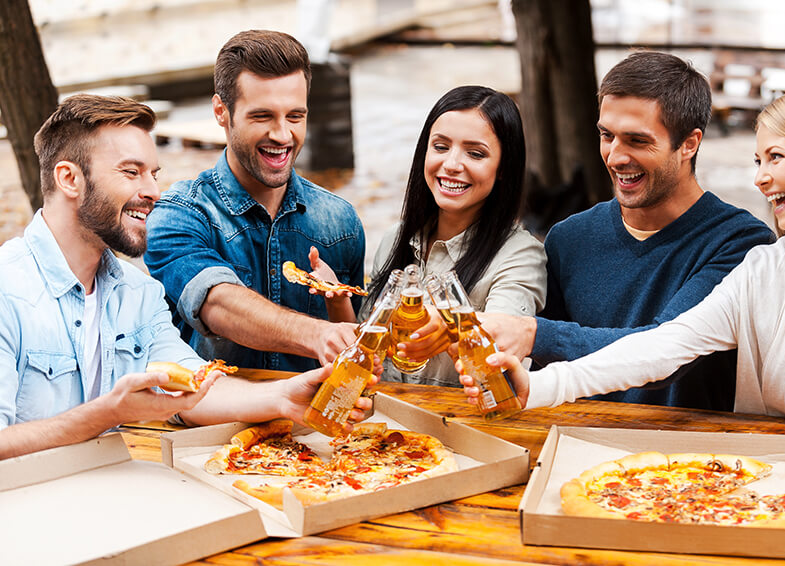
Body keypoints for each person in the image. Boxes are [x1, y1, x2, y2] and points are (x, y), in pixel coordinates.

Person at [0, 95, 372, 460]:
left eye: (153, 174)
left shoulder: (139, 292)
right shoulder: (7, 289)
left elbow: (193, 387)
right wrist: (108, 413)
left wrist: (283, 397)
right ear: (69, 178)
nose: (152, 191)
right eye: (131, 172)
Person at [462, 84, 785, 423]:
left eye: (776, 157)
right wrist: (538, 385)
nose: (759, 178)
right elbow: (663, 348)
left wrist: (533, 335)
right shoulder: (766, 271)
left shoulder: (741, 242)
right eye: (758, 160)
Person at [477, 51, 775, 410]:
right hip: (574, 450)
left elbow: (665, 350)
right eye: (607, 135)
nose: (615, 156)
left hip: (693, 462)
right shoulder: (568, 238)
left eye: (637, 140)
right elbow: (544, 371)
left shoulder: (742, 245)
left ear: (689, 144)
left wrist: (535, 333)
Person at [145, 30, 366, 373]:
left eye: (295, 116)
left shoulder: (342, 221)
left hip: (314, 425)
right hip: (213, 422)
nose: (281, 135)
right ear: (221, 111)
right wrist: (319, 334)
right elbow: (218, 303)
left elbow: (356, 340)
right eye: (262, 116)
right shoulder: (178, 213)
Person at [323, 85, 546, 387]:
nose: (452, 165)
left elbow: (499, 352)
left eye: (475, 153)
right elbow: (364, 360)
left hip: (464, 426)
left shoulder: (521, 255)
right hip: (384, 424)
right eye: (440, 147)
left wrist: (447, 326)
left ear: (504, 167)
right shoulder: (396, 238)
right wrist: (337, 300)